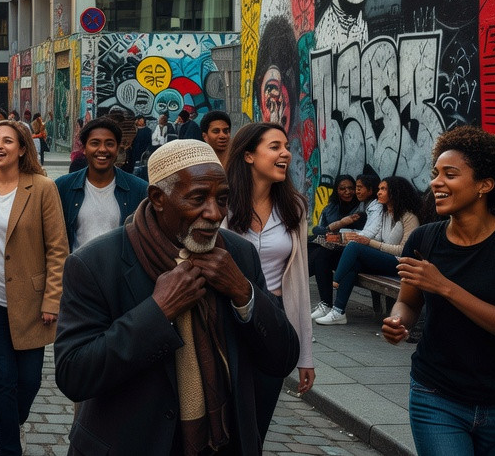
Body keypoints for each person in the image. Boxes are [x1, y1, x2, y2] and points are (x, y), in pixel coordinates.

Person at [55, 139, 298, 454]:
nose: (213, 213)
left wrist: (243, 292)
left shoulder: (238, 255)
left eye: (222, 199)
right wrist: (157, 311)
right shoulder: (97, 263)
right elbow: (75, 374)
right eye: (197, 197)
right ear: (158, 198)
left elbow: (282, 357)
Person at [383, 126, 495, 455]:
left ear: (485, 185)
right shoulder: (424, 240)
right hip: (435, 396)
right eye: (435, 173)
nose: (435, 182)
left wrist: (445, 287)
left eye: (450, 174)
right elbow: (407, 301)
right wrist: (397, 320)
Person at [0, 120, 68, 455]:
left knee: (30, 381)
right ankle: (10, 447)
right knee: (2, 380)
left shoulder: (41, 188)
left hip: (33, 302)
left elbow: (57, 248)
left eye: (8, 141)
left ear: (22, 149)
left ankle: (14, 421)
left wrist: (52, 300)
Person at [223, 122, 314, 441]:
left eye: (286, 147)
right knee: (223, 418)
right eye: (274, 147)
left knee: (257, 423)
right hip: (226, 317)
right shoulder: (222, 203)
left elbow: (300, 285)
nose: (285, 153)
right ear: (248, 155)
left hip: (274, 320)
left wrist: (305, 355)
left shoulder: (296, 207)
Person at [315, 175, 424, 326]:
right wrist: (362, 239)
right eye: (379, 189)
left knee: (354, 247)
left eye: (383, 189)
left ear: (395, 192)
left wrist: (369, 243)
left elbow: (402, 251)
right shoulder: (385, 214)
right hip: (385, 258)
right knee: (354, 264)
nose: (379, 192)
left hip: (400, 264)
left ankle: (335, 281)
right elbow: (378, 238)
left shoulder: (408, 217)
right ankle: (338, 311)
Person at [55, 117, 148, 251]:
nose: (102, 149)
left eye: (109, 144)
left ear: (117, 149)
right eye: (95, 143)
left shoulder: (139, 189)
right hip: (76, 270)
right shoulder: (63, 187)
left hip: (120, 271)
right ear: (84, 149)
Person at [307, 175, 367, 315]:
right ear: (337, 190)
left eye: (351, 188)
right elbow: (317, 229)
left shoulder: (360, 209)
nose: (348, 192)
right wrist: (339, 224)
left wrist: (330, 232)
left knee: (320, 254)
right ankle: (326, 304)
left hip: (348, 253)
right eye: (342, 189)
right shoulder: (331, 207)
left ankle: (326, 304)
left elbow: (356, 234)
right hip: (330, 250)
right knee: (318, 253)